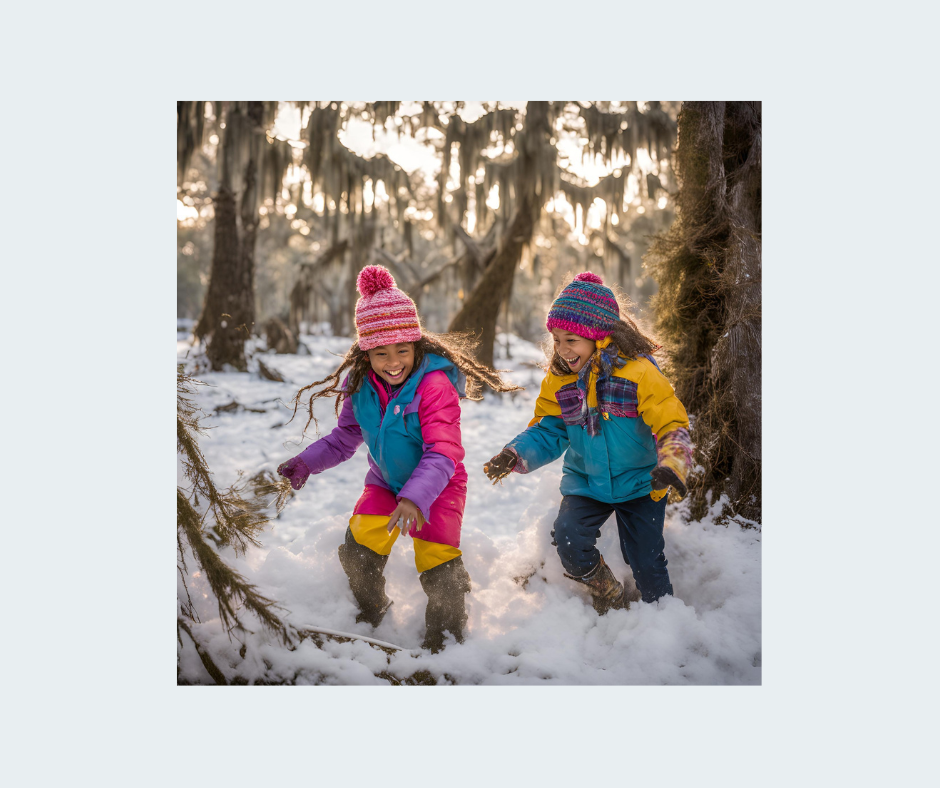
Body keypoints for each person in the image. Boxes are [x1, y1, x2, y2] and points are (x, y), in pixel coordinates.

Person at [278, 265, 520, 651]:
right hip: (386, 484)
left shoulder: (435, 386)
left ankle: (447, 640)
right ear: (365, 353)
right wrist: (307, 461)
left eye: (402, 350)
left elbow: (444, 451)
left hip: (439, 487)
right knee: (359, 548)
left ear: (417, 345)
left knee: (438, 564)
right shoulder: (360, 386)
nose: (393, 361)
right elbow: (345, 438)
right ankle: (372, 610)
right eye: (380, 353)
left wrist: (415, 498)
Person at [484, 272, 692, 614]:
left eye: (572, 340)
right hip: (586, 483)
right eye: (557, 340)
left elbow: (671, 422)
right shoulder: (561, 381)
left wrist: (672, 464)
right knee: (568, 538)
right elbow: (550, 428)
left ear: (599, 336)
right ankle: (608, 591)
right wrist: (514, 453)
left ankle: (664, 619)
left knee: (645, 557)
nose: (564, 350)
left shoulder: (638, 374)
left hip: (641, 483)